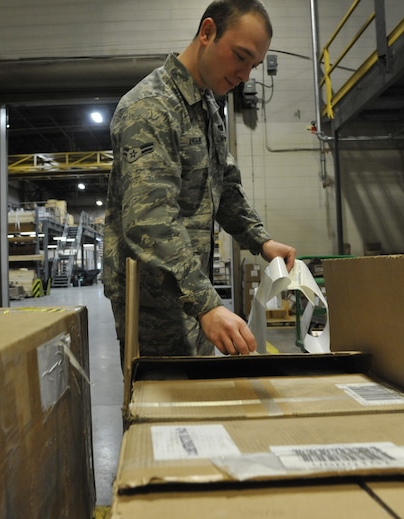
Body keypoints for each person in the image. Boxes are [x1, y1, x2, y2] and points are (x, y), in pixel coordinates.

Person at [103, 0, 296, 360]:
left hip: (191, 296)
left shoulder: (207, 107)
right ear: (207, 32)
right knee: (164, 409)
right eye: (241, 57)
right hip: (154, 308)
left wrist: (261, 240)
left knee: (198, 405)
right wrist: (208, 304)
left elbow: (225, 190)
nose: (245, 76)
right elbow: (150, 222)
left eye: (253, 66)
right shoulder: (150, 108)